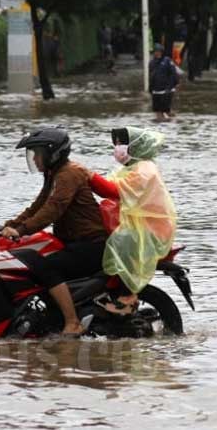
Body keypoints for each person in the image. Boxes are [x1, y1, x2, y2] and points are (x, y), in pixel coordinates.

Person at [2, 128, 108, 336]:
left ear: (54, 153)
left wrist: (21, 230)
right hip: (72, 242)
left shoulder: (69, 174)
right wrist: (9, 224)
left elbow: (53, 209)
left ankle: (72, 322)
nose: (35, 159)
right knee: (26, 257)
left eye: (38, 154)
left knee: (44, 266)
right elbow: (38, 205)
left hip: (91, 245)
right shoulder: (54, 174)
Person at [89, 127, 177, 314]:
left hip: (151, 227)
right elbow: (110, 187)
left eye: (123, 143)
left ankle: (126, 295)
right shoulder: (131, 167)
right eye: (117, 143)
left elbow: (113, 191)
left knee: (120, 242)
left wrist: (87, 175)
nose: (118, 147)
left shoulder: (145, 169)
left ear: (138, 146)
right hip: (138, 222)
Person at [149, 43, 180, 120]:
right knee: (158, 112)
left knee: (166, 111)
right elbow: (151, 76)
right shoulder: (152, 63)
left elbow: (174, 74)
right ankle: (161, 126)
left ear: (161, 52)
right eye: (155, 51)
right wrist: (150, 88)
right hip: (156, 91)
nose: (156, 53)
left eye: (158, 51)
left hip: (166, 90)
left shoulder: (167, 61)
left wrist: (171, 86)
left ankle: (173, 123)